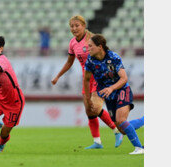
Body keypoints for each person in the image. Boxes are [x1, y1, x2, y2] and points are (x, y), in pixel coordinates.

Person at [51, 15, 123, 149]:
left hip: (99, 77)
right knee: (89, 110)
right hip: (87, 78)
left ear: (84, 26)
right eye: (72, 26)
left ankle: (117, 131)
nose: (74, 28)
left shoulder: (92, 40)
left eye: (77, 25)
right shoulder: (72, 43)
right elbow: (69, 62)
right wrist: (58, 76)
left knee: (95, 108)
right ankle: (97, 142)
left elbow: (106, 55)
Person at [84, 34, 144, 154]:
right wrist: (88, 98)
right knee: (122, 129)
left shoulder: (113, 57)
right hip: (108, 95)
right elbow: (86, 79)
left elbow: (124, 78)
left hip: (122, 90)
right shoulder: (90, 60)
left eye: (90, 46)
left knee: (121, 120)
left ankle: (140, 148)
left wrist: (111, 88)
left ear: (100, 47)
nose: (87, 49)